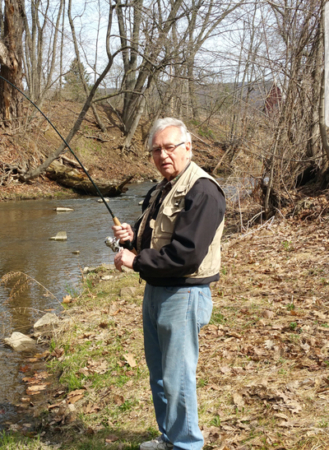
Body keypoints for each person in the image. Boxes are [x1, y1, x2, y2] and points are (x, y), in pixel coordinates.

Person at [113, 118, 226, 450]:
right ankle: (170, 437)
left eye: (170, 147)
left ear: (187, 147)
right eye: (156, 149)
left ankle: (187, 444)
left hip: (184, 293)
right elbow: (155, 232)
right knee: (160, 374)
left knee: (177, 378)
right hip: (157, 289)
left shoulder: (203, 190)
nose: (163, 155)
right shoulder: (163, 186)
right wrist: (133, 235)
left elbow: (187, 254)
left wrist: (137, 261)